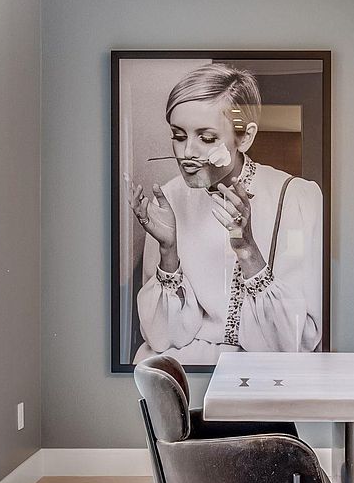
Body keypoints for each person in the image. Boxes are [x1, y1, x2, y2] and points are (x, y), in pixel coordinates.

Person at [127, 63, 323, 365]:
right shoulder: (168, 199)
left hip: (266, 377)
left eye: (206, 138)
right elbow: (162, 337)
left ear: (244, 137)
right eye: (178, 136)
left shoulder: (294, 197)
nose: (187, 153)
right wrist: (168, 252)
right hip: (183, 374)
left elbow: (297, 338)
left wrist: (247, 249)